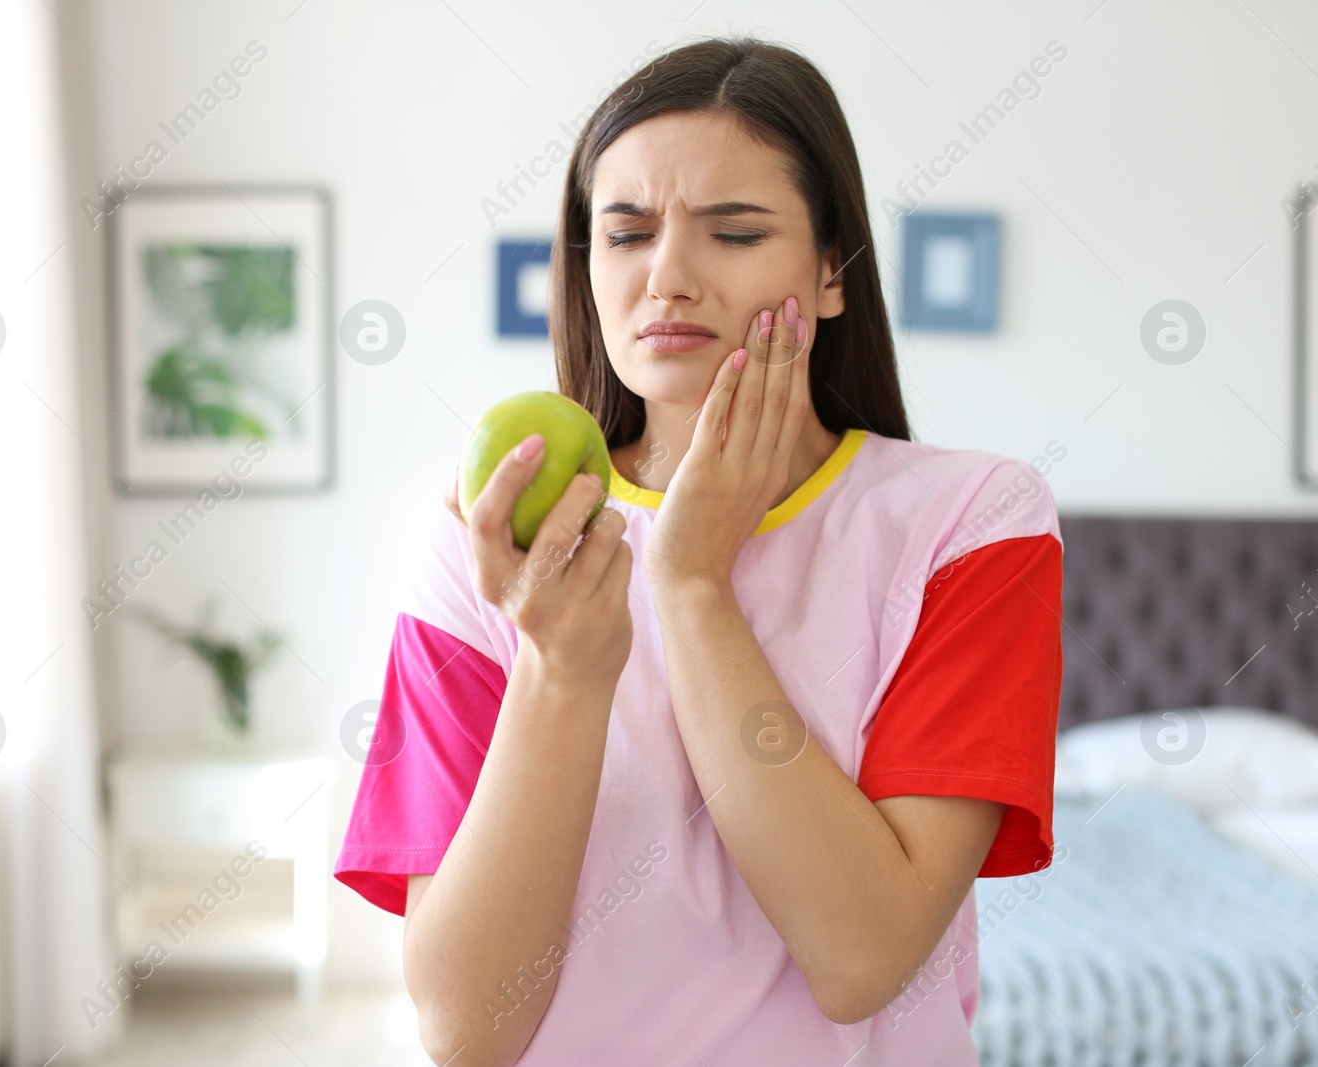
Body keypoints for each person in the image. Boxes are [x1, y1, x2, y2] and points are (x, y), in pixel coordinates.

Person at [335, 34, 1062, 1067]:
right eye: (624, 234)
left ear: (829, 273)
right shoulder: (482, 536)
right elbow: (466, 1026)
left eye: (732, 232)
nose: (666, 276)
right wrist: (560, 667)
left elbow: (861, 956)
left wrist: (689, 581)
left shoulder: (972, 518)